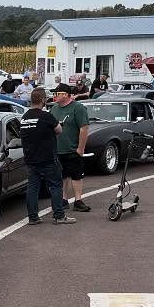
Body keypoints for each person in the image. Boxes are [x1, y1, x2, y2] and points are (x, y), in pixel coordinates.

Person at [18, 88, 74, 225]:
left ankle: (33, 217)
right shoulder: (45, 116)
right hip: (47, 158)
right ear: (43, 100)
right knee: (55, 186)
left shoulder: (24, 118)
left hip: (30, 159)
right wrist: (56, 125)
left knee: (33, 188)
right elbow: (59, 130)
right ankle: (59, 215)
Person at [52, 83, 92, 212]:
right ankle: (63, 199)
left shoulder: (78, 108)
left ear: (65, 94)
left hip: (73, 148)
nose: (54, 96)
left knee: (76, 175)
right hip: (58, 149)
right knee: (62, 175)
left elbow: (84, 128)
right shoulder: (54, 109)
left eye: (57, 94)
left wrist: (80, 148)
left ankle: (78, 200)